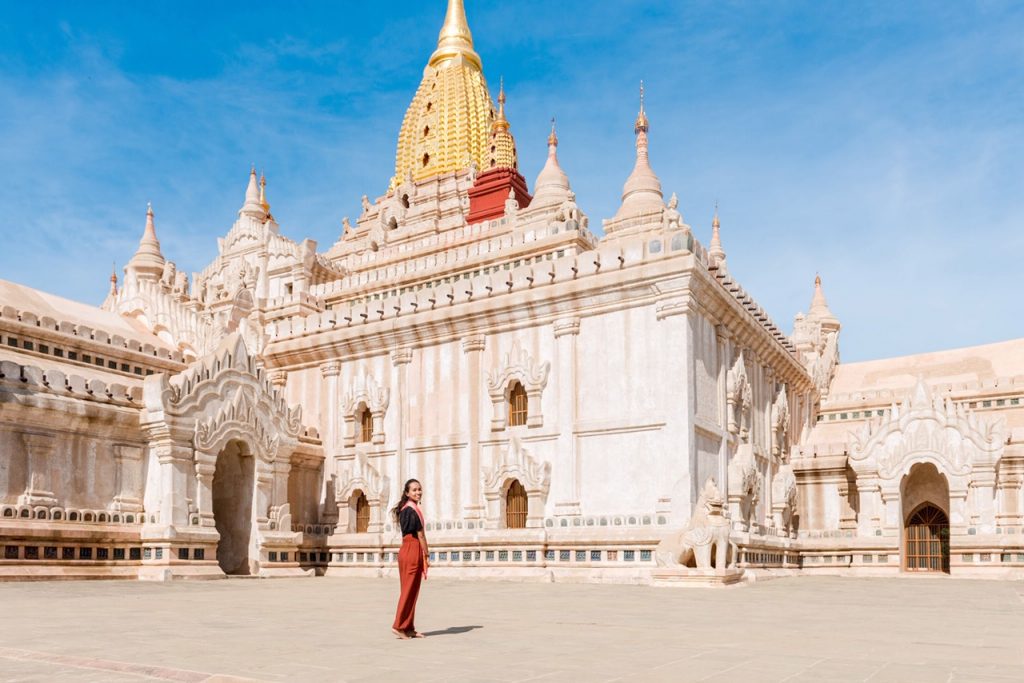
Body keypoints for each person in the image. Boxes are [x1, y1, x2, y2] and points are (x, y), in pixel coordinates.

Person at [391, 478, 429, 639]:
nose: (418, 492)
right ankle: (398, 626)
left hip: (407, 550)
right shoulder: (411, 510)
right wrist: (427, 554)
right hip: (412, 549)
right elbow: (420, 535)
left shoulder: (408, 509)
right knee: (408, 590)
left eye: (419, 489)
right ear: (407, 493)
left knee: (412, 590)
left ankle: (408, 627)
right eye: (414, 490)